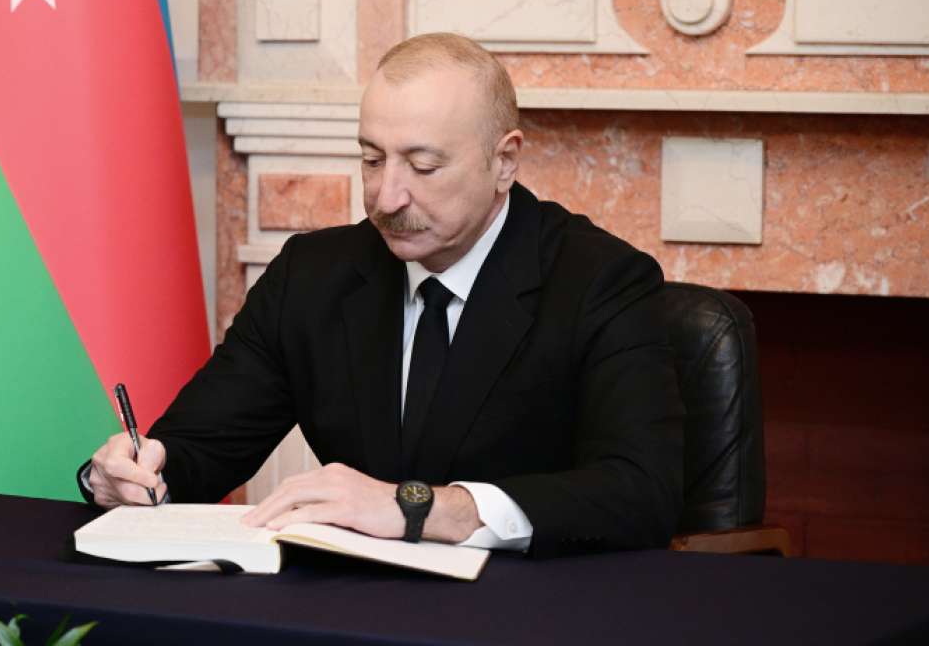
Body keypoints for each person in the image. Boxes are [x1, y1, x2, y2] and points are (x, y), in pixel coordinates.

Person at [80, 32, 684, 558]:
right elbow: (200, 449)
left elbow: (640, 493)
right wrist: (133, 473)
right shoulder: (311, 276)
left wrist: (420, 509)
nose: (386, 198)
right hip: (346, 604)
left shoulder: (601, 280)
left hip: (524, 612)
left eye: (423, 167)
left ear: (504, 161)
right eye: (372, 160)